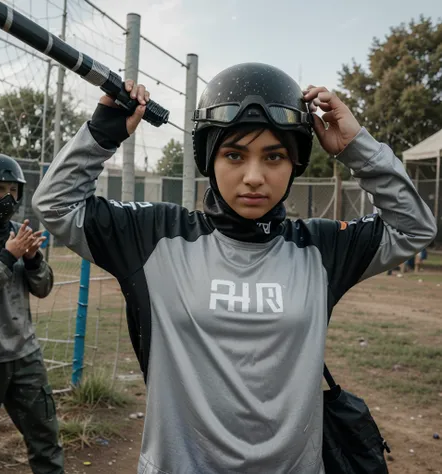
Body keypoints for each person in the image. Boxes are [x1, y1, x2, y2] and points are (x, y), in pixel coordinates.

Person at [32, 63, 436, 474]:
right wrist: (103, 132)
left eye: (274, 156)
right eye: (234, 154)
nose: (254, 177)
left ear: (295, 162)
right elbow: (56, 205)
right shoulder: (154, 236)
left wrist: (355, 145)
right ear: (209, 157)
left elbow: (415, 226)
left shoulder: (320, 248)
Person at [0, 154, 64, 473]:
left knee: (47, 443)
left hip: (26, 356)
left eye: (13, 190)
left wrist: (34, 260)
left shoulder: (20, 232)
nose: (7, 197)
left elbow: (44, 287)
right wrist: (8, 257)